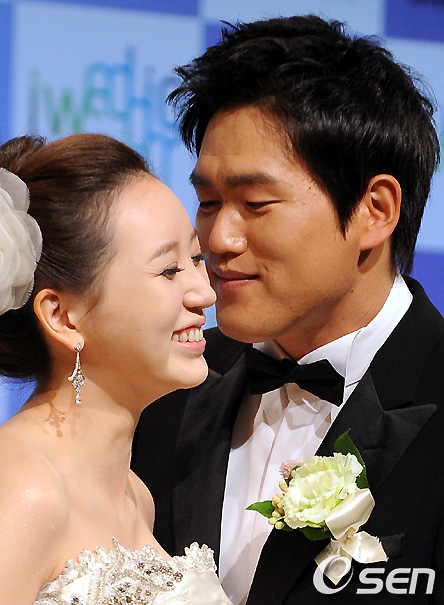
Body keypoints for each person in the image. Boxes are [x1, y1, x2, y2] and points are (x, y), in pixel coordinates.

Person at [133, 14, 444, 604]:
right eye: (208, 202)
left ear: (375, 211)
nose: (218, 239)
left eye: (255, 203)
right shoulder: (161, 389)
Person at [0, 133, 233, 604]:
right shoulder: (20, 482)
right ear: (62, 317)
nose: (205, 292)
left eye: (196, 258)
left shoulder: (137, 496)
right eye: (168, 270)